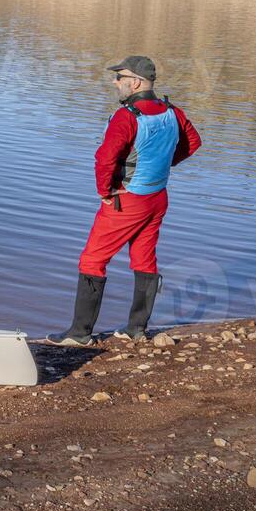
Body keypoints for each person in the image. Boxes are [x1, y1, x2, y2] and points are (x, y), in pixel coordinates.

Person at [51, 56, 202, 346]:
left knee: (93, 260)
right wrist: (162, 164)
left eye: (119, 77)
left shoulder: (127, 116)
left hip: (127, 200)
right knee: (144, 258)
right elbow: (193, 143)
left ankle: (79, 334)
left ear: (135, 82)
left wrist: (105, 192)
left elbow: (104, 158)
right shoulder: (173, 112)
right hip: (157, 197)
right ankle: (136, 328)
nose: (114, 82)